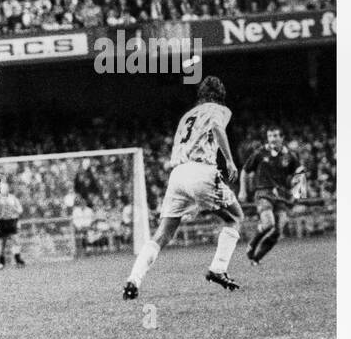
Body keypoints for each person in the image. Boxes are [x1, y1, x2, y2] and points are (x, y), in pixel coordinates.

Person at [123, 77, 243, 299]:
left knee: (163, 233)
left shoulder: (187, 115)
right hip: (200, 170)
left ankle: (133, 279)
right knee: (235, 216)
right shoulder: (219, 109)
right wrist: (229, 160)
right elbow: (216, 126)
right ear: (220, 94)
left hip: (177, 174)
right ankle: (218, 268)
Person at [240, 127, 305, 265]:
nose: (272, 139)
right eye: (270, 136)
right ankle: (252, 244)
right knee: (269, 224)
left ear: (282, 138)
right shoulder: (260, 153)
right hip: (263, 193)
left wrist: (297, 194)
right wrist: (243, 190)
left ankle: (256, 258)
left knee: (278, 229)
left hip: (281, 196)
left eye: (275, 135)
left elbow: (300, 173)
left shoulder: (289, 155)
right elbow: (244, 171)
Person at [0, 177, 26, 268]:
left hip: (12, 221)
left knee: (16, 241)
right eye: (2, 188)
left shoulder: (13, 198)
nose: (4, 190)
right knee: (2, 243)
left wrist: (15, 210)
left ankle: (18, 260)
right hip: (2, 222)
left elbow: (20, 210)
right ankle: (1, 262)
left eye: (6, 188)